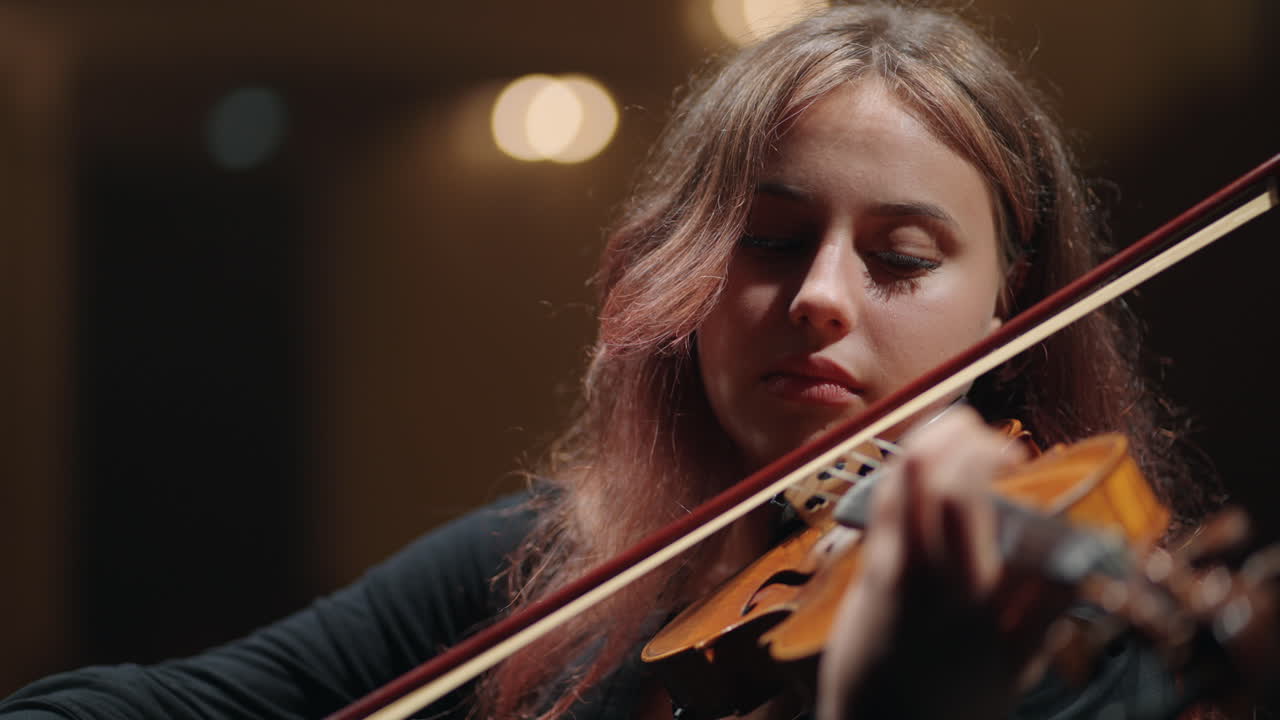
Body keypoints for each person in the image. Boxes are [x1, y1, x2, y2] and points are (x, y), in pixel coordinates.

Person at [0, 3, 1227, 719]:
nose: (814, 300)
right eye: (769, 242)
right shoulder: (551, 566)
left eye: (899, 260)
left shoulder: (1080, 642)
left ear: (1008, 305)